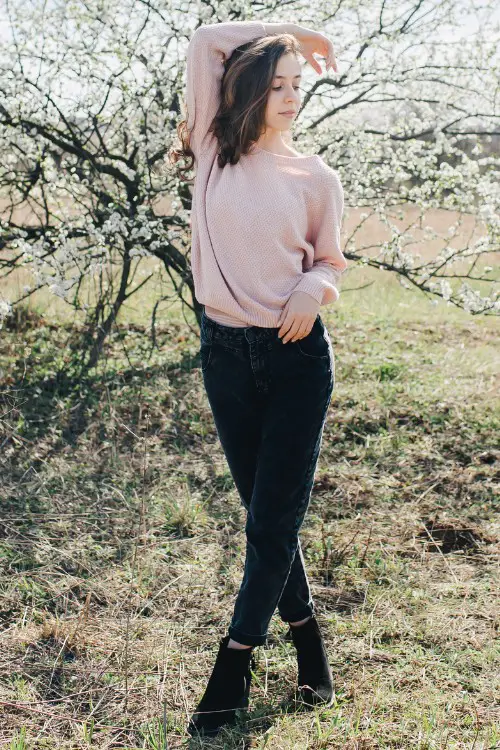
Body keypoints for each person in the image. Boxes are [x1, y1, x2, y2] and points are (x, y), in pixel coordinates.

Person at [170, 18, 347, 737]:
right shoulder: (215, 148)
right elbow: (208, 38)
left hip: (296, 359)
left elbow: (330, 261)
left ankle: (233, 663)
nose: (289, 96)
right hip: (224, 355)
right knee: (266, 519)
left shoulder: (317, 177)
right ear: (247, 91)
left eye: (296, 85)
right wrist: (291, 31)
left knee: (272, 521)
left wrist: (313, 291)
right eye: (276, 85)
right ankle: (309, 640)